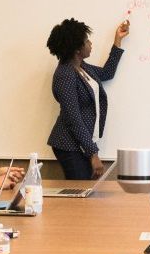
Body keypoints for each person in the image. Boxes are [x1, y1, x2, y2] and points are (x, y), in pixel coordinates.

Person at [46, 16, 130, 179]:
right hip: (69, 145)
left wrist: (117, 41)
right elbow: (74, 118)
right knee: (80, 192)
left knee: (86, 192)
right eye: (87, 41)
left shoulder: (80, 67)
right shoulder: (65, 74)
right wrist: (93, 154)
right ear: (77, 49)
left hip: (81, 144)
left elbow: (107, 73)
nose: (91, 44)